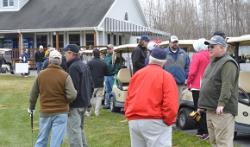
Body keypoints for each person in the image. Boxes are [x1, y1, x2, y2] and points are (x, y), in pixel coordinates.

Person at [125, 47, 179, 147]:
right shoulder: (166, 76)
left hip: (134, 119)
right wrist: (168, 121)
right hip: (154, 119)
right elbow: (171, 103)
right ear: (164, 62)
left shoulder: (137, 74)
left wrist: (128, 113)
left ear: (150, 58)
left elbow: (129, 97)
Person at [29, 50, 77, 147]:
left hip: (45, 112)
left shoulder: (41, 75)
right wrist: (66, 101)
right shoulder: (65, 75)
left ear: (49, 60)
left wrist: (31, 107)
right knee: (56, 142)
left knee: (41, 139)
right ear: (60, 62)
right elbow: (72, 95)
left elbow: (33, 94)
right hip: (61, 112)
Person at [198, 35, 239, 147]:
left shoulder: (228, 63)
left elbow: (227, 85)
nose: (209, 48)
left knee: (223, 143)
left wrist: (221, 103)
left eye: (212, 46)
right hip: (211, 109)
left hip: (222, 111)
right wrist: (202, 104)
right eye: (208, 46)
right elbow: (208, 83)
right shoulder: (213, 61)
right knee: (214, 142)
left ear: (222, 48)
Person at [64, 44, 93, 147]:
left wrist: (68, 103)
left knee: (74, 132)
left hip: (75, 104)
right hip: (84, 102)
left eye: (66, 53)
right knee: (79, 129)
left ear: (71, 53)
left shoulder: (73, 67)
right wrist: (88, 100)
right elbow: (91, 85)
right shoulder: (83, 64)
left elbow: (73, 89)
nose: (65, 56)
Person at [187, 38, 210, 140]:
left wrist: (188, 83)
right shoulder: (211, 55)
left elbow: (192, 72)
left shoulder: (197, 56)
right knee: (206, 109)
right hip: (209, 85)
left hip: (197, 86)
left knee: (198, 109)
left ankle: (203, 131)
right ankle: (204, 130)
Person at [164, 35, 190, 100]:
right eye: (173, 42)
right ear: (169, 43)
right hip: (167, 83)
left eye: (176, 42)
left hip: (180, 84)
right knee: (168, 101)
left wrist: (184, 76)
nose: (175, 44)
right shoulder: (164, 53)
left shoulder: (184, 53)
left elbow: (188, 67)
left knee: (178, 103)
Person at [87, 49, 108, 116]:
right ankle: (97, 112)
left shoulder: (89, 63)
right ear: (99, 54)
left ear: (93, 54)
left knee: (90, 97)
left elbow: (86, 72)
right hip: (100, 83)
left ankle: (90, 111)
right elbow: (106, 72)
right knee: (99, 98)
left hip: (91, 83)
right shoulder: (103, 63)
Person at [103, 44, 115, 109]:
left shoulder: (114, 56)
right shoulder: (106, 57)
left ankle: (112, 104)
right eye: (107, 49)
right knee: (107, 90)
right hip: (106, 76)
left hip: (112, 75)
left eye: (110, 49)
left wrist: (114, 71)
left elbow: (115, 66)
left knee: (112, 90)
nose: (108, 50)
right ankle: (107, 104)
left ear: (112, 49)